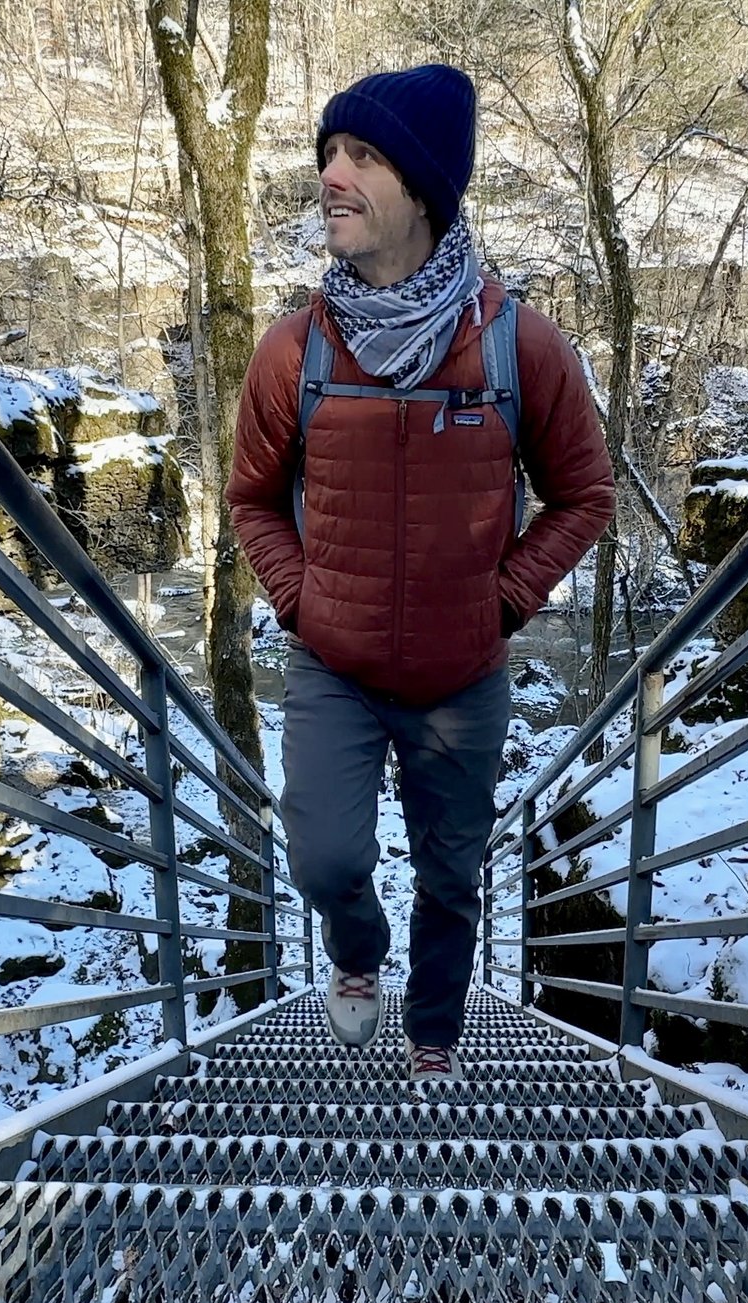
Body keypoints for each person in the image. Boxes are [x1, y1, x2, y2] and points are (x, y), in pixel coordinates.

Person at [226, 63, 615, 1083]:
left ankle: (434, 1027)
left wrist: (505, 597)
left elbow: (585, 495)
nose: (332, 178)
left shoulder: (518, 346)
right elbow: (251, 500)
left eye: (362, 156)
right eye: (327, 156)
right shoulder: (292, 352)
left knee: (451, 875)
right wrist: (304, 599)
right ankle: (356, 955)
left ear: (427, 188)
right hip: (334, 665)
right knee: (324, 859)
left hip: (461, 675)